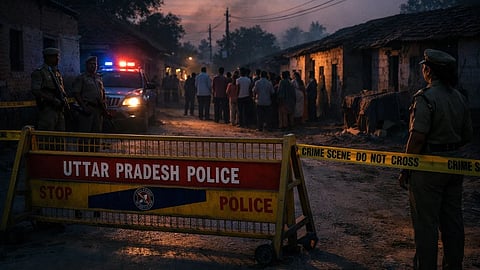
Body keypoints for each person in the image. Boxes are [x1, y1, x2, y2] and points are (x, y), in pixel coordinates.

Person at [398, 49, 473, 270]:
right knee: (452, 222)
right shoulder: (459, 97)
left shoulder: (425, 97)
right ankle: (453, 265)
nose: (423, 70)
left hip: (427, 167)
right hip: (454, 165)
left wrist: (405, 168)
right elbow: (468, 135)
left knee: (426, 224)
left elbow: (417, 137)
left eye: (424, 67)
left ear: (429, 70)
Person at [31, 47, 68, 131]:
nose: (57, 59)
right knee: (47, 135)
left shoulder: (57, 72)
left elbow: (61, 89)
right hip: (48, 109)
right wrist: (52, 99)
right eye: (55, 57)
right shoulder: (40, 72)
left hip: (59, 109)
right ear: (47, 57)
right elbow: (36, 90)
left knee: (60, 135)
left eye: (57, 56)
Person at [72, 56, 107, 134]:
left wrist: (104, 108)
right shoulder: (82, 78)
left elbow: (102, 92)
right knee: (85, 133)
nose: (93, 66)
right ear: (87, 65)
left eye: (95, 64)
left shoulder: (98, 78)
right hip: (87, 108)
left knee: (97, 134)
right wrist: (84, 107)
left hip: (98, 109)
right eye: (91, 64)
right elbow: (76, 93)